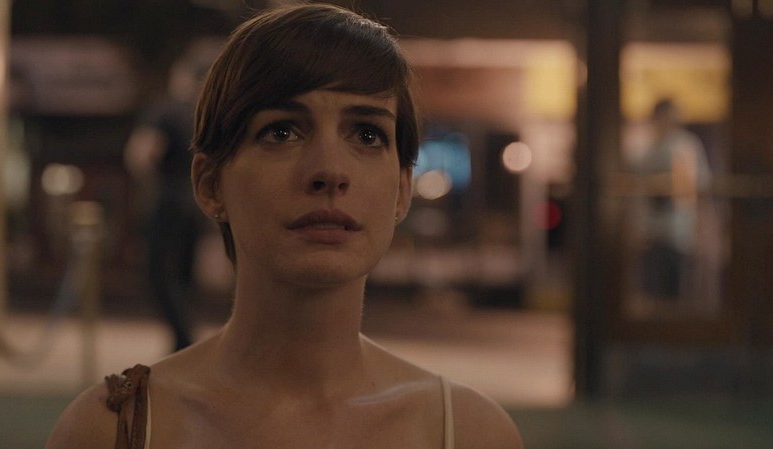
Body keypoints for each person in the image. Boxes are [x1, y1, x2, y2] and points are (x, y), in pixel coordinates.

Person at [45, 4, 523, 449]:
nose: (330, 171)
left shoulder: (468, 433)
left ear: (402, 189)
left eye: (367, 134)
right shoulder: (114, 430)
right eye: (281, 132)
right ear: (210, 183)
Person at [124, 54, 206, 351]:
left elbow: (142, 154)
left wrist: (149, 184)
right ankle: (183, 341)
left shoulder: (164, 110)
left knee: (156, 273)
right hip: (198, 202)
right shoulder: (205, 116)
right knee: (184, 277)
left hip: (168, 198)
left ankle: (183, 340)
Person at [635, 98, 712, 301]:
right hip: (653, 233)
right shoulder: (649, 152)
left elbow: (700, 190)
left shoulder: (685, 146)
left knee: (678, 292)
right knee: (654, 292)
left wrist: (703, 230)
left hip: (680, 232)